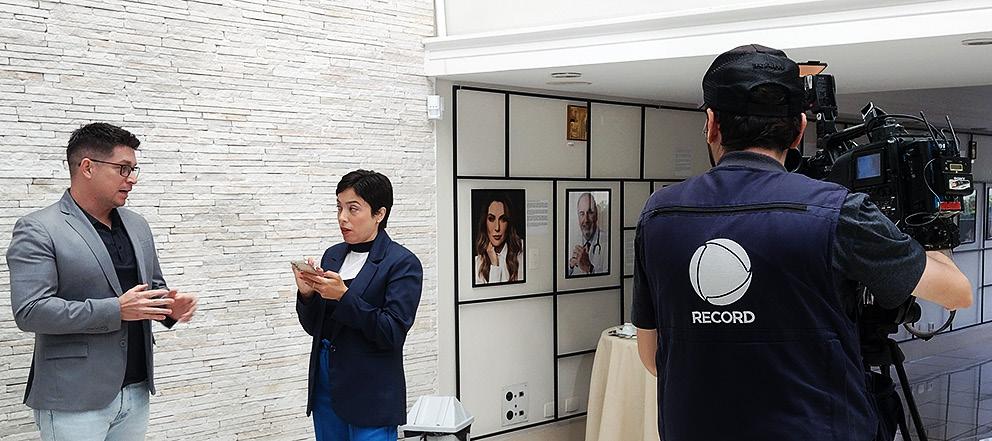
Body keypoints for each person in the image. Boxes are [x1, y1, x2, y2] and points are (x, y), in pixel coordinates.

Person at [631, 44, 973, 441]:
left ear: (711, 124)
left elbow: (652, 358)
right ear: (798, 130)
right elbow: (957, 293)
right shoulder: (837, 212)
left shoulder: (658, 215)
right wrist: (931, 227)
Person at [6, 122, 198, 441]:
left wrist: (169, 309)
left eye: (134, 169)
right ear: (87, 167)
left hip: (136, 389)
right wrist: (115, 310)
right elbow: (30, 311)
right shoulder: (38, 229)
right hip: (74, 397)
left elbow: (151, 291)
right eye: (123, 169)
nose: (132, 179)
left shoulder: (137, 225)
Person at [294, 169, 423, 441]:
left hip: (372, 392)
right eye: (339, 207)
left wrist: (344, 296)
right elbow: (316, 328)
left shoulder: (402, 263)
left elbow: (392, 333)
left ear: (379, 214)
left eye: (353, 209)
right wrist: (307, 295)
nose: (342, 217)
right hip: (326, 385)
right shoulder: (333, 255)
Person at [473, 194, 523, 284]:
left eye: (503, 219)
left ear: (509, 223)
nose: (497, 227)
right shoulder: (477, 264)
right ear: (485, 223)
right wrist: (494, 265)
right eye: (491, 219)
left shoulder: (521, 252)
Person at [567, 192, 607, 276]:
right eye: (582, 214)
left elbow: (610, 280)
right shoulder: (571, 241)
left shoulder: (608, 242)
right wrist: (570, 267)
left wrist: (589, 267)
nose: (586, 220)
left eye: (590, 212)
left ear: (596, 215)